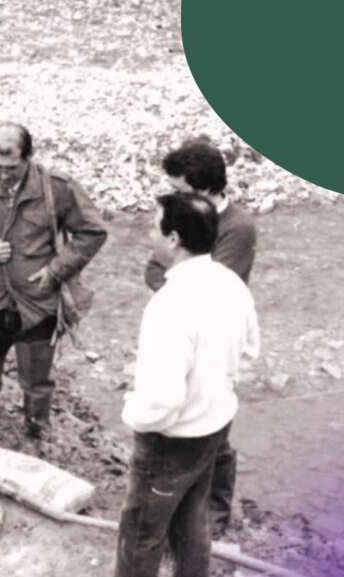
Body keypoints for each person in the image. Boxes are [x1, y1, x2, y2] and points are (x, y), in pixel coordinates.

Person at [117, 193, 260, 577]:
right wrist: (212, 387)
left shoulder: (168, 304)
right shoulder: (231, 283)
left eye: (153, 227)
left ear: (173, 239)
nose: (149, 234)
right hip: (214, 427)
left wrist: (132, 414)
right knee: (193, 523)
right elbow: (249, 351)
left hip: (171, 441)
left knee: (141, 534)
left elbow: (162, 402)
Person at [0, 122, 107, 442]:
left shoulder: (57, 187)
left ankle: (35, 430)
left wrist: (56, 270)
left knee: (37, 374)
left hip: (38, 300)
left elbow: (93, 232)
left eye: (12, 168)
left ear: (28, 157)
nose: (3, 175)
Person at [142, 140, 258, 538]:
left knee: (215, 429)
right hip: (190, 331)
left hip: (218, 340)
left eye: (180, 189)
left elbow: (211, 285)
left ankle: (215, 517)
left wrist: (176, 282)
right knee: (183, 417)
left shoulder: (238, 228)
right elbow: (154, 268)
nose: (174, 196)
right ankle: (186, 511)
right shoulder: (186, 216)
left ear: (205, 189)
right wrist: (180, 282)